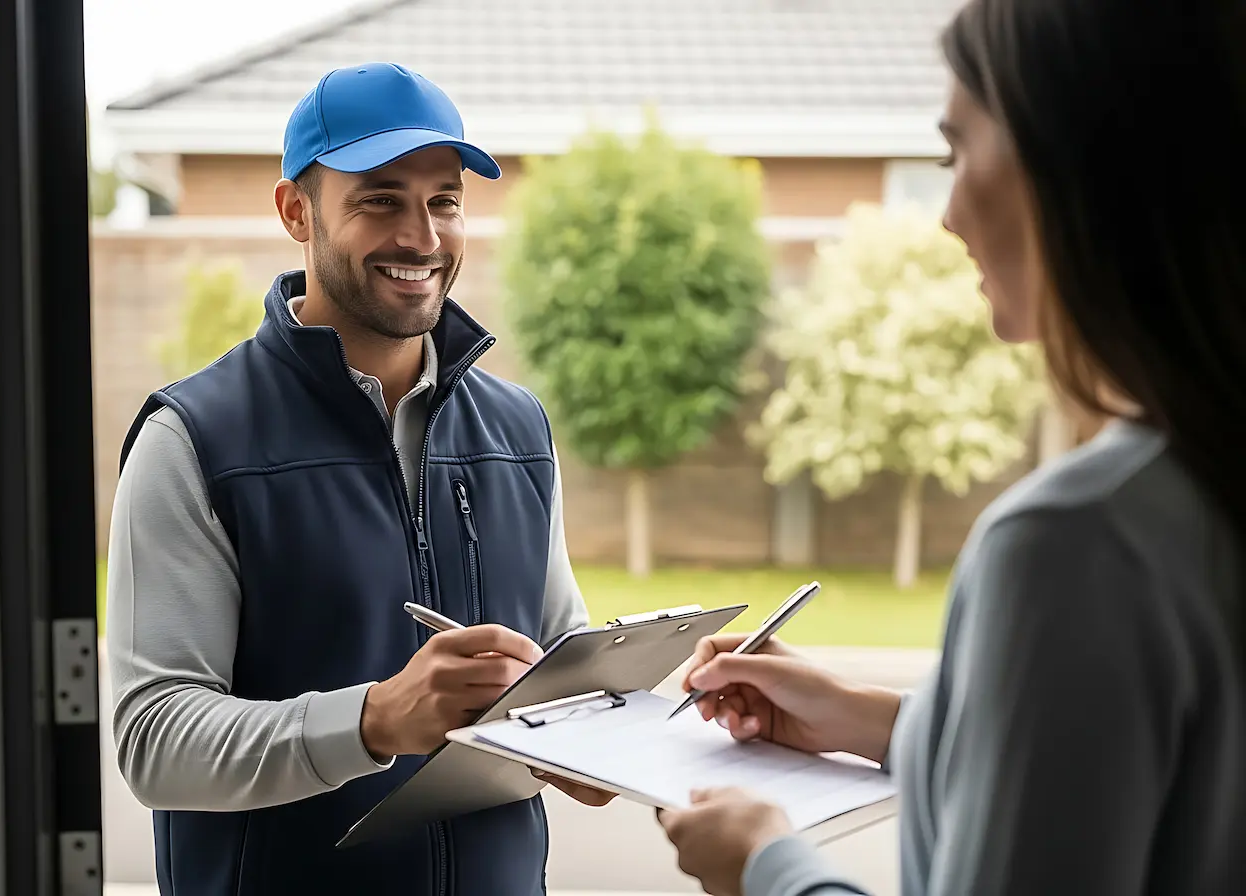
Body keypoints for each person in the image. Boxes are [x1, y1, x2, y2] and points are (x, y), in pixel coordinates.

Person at [657, 0, 1246, 893]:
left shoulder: (1077, 543)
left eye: (955, 154)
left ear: (1081, 165)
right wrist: (874, 718)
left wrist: (764, 866)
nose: (948, 214)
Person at [105, 61, 613, 896]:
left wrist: (614, 735)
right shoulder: (194, 439)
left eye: (443, 200)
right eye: (380, 199)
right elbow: (156, 742)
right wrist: (373, 722)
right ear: (295, 210)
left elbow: (560, 660)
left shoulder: (520, 429)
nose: (422, 236)